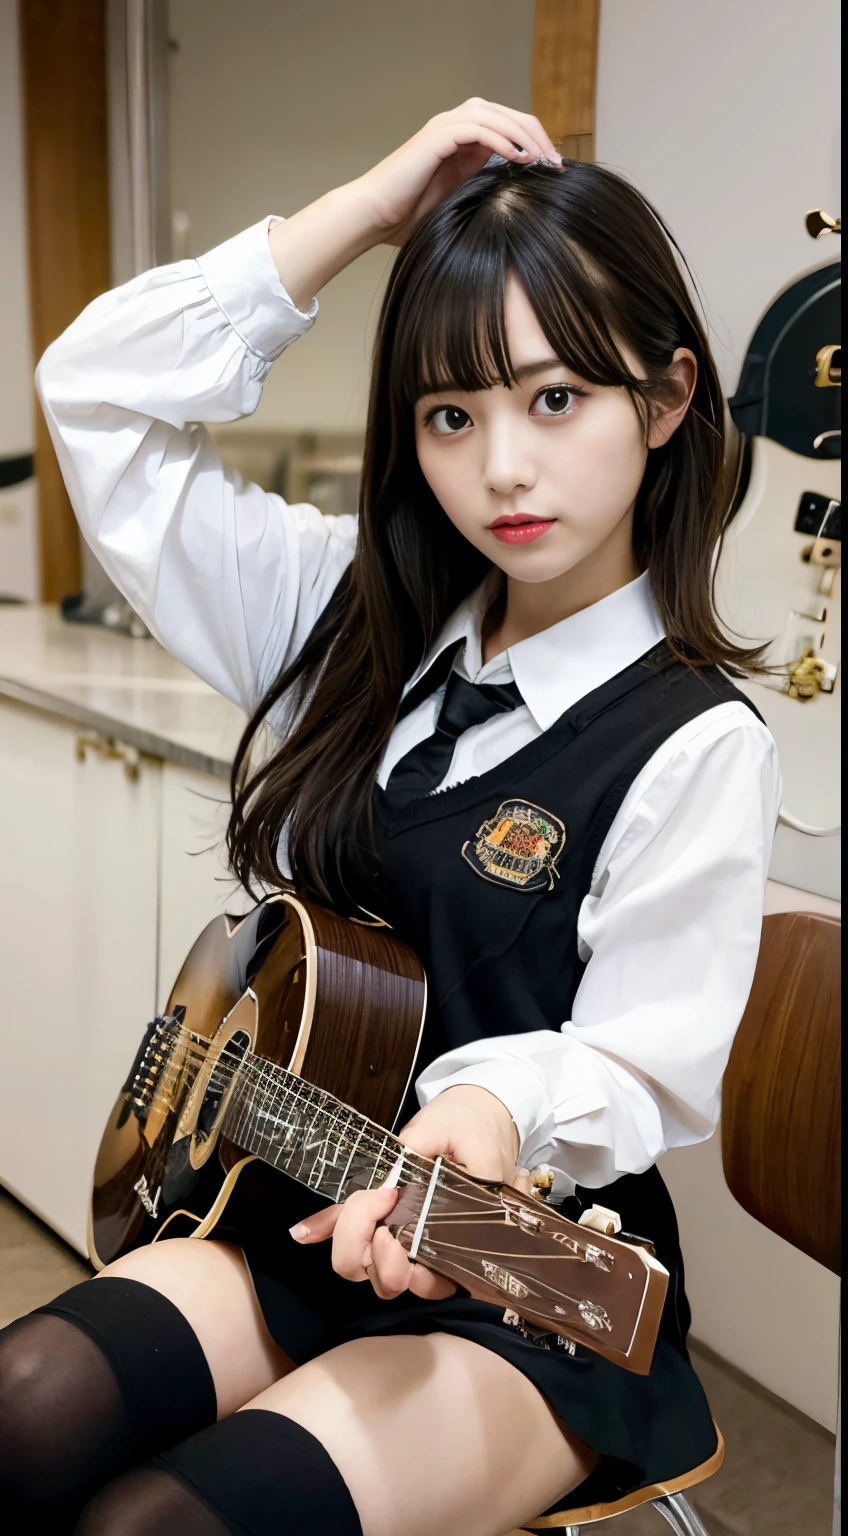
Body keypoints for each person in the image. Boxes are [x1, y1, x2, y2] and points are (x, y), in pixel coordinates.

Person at [1, 100, 780, 1536]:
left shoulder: (694, 743)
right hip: (290, 1207)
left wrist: (488, 1107)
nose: (501, 469)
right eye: (449, 414)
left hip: (521, 1273)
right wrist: (361, 211)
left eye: (556, 399)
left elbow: (651, 1055)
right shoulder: (347, 614)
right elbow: (93, 392)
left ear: (665, 402)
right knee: (26, 1402)